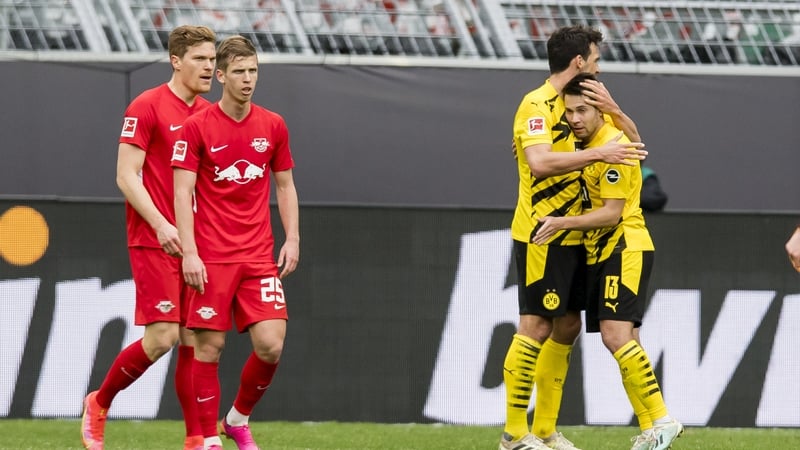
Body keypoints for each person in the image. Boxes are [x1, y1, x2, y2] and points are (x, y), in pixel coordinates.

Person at [501, 25, 647, 450]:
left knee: (566, 326)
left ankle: (545, 431)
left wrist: (615, 114)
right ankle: (514, 434)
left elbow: (633, 145)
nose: (599, 67)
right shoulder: (536, 103)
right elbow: (539, 163)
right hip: (543, 232)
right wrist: (600, 153)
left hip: (577, 233)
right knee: (535, 325)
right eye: (595, 59)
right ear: (579, 61)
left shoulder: (584, 100)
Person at [81, 25, 217, 450]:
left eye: (212, 59)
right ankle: (99, 402)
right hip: (153, 238)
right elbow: (126, 175)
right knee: (163, 338)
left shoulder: (210, 115)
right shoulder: (147, 106)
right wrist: (160, 224)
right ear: (176, 61)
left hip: (195, 244)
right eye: (200, 59)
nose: (209, 67)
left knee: (194, 338)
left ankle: (195, 438)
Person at [532, 72, 683, 450]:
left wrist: (561, 223)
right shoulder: (590, 143)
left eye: (583, 110)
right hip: (600, 251)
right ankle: (653, 428)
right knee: (625, 340)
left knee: (616, 336)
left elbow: (611, 213)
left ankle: (663, 419)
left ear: (600, 111)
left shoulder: (613, 147)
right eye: (569, 111)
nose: (574, 118)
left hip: (623, 247)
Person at [172, 35, 299, 450]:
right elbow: (181, 193)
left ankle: (236, 419)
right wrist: (190, 252)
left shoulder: (273, 125)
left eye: (253, 71)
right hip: (211, 256)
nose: (248, 79)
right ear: (222, 76)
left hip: (258, 255)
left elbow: (285, 185)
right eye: (239, 71)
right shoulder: (196, 127)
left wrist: (292, 238)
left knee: (271, 344)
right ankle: (209, 438)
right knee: (209, 348)